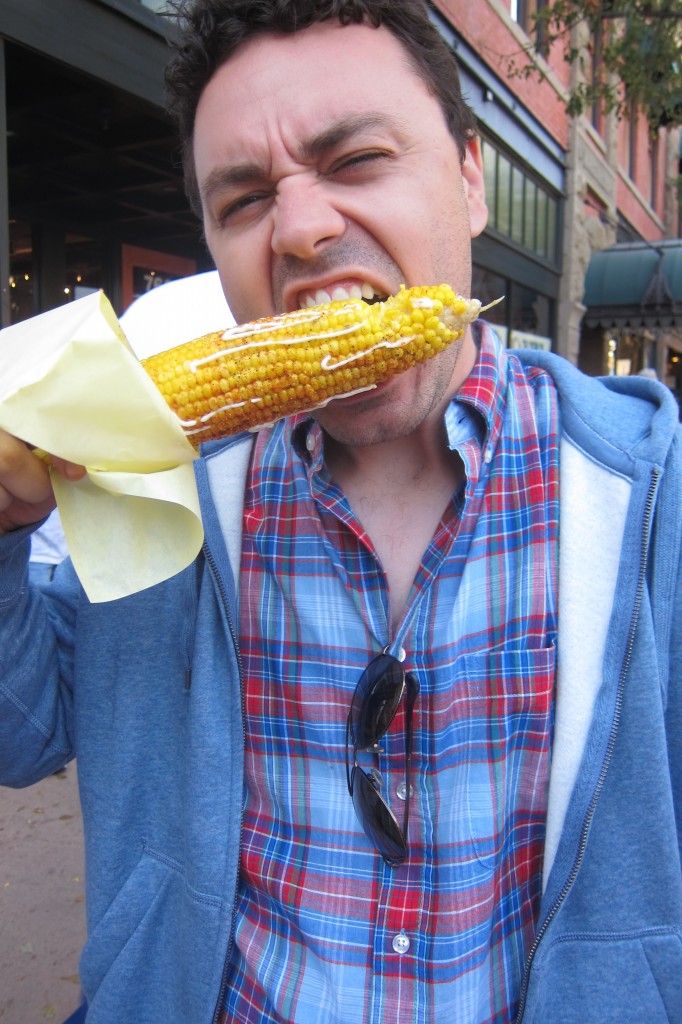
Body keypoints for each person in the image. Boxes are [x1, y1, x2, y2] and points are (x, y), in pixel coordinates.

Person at [0, 2, 680, 1022]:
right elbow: (20, 731)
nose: (303, 228)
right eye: (241, 200)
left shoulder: (646, 492)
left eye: (354, 160)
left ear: (467, 178)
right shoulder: (144, 479)